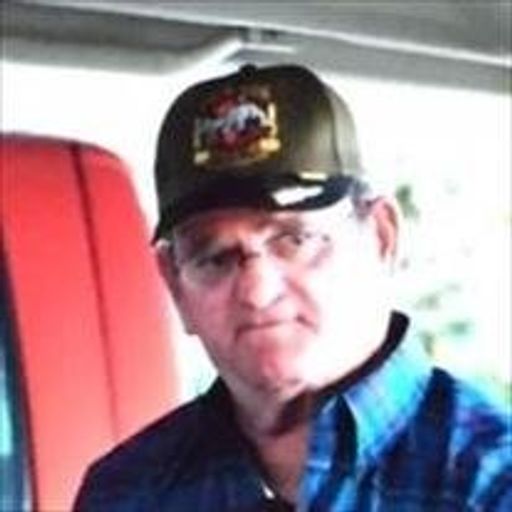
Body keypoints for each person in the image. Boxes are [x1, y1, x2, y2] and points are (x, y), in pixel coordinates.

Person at [74, 64, 511, 511]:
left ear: (382, 238)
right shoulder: (127, 492)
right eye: (216, 258)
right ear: (175, 285)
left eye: (295, 240)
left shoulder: (491, 482)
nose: (257, 292)